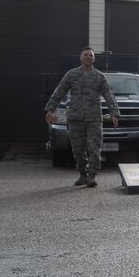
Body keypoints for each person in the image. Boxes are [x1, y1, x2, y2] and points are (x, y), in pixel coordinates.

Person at [43, 46, 120, 188]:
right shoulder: (71, 75)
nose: (88, 57)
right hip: (75, 118)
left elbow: (109, 95)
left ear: (94, 59)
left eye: (91, 55)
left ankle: (92, 176)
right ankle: (83, 174)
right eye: (85, 54)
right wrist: (50, 109)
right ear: (80, 57)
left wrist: (114, 113)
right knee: (77, 149)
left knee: (94, 148)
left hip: (94, 119)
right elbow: (59, 92)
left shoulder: (100, 77)